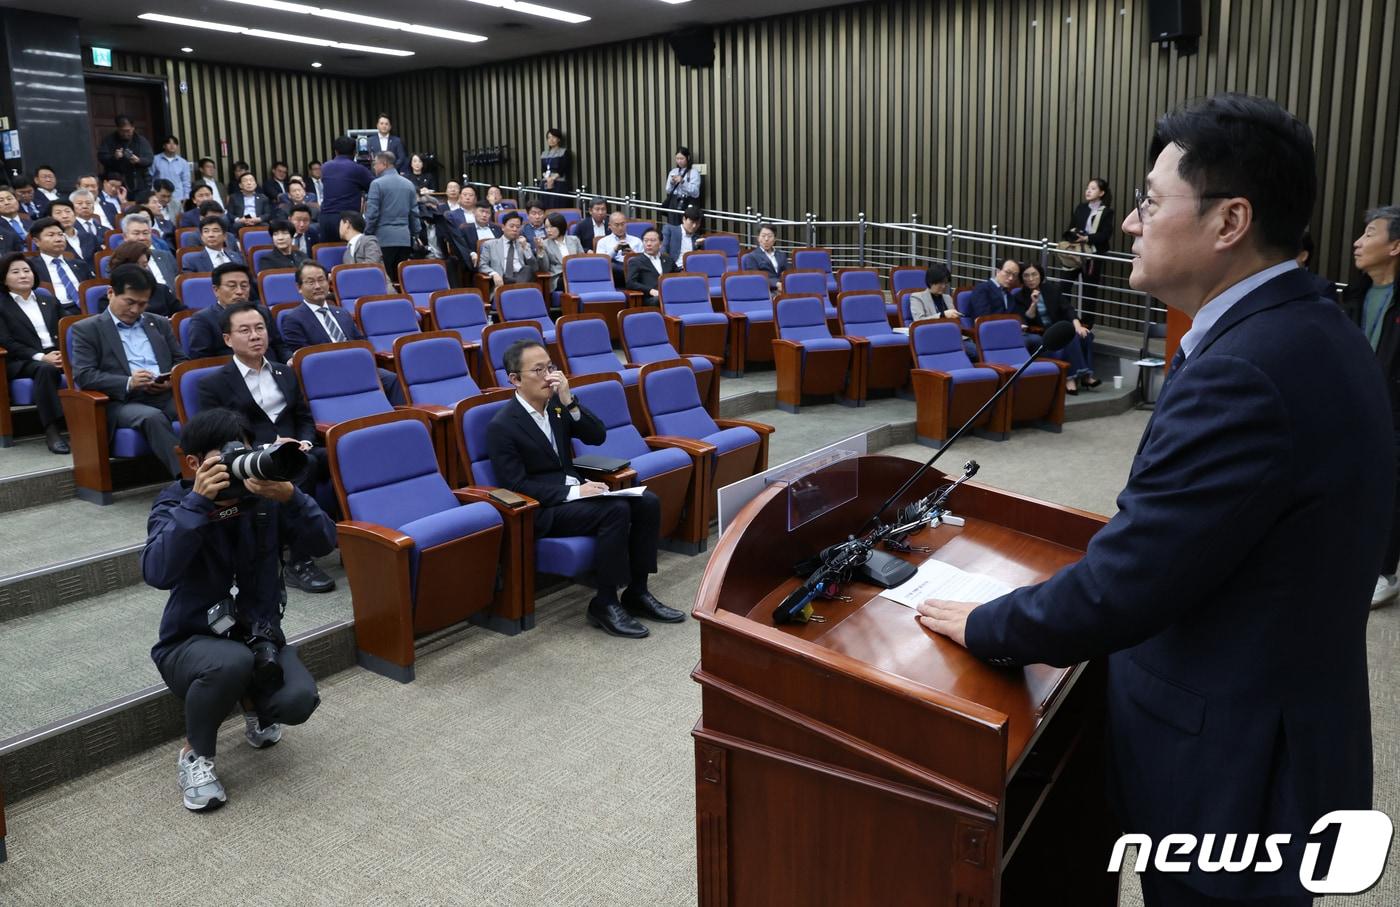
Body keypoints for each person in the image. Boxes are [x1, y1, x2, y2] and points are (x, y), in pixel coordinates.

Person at [916, 93, 1391, 907]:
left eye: (1148, 201)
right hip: (1283, 732)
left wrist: (987, 621)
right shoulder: (1318, 325)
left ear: (1229, 220)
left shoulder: (1245, 370)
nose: (1131, 224)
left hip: (1233, 775)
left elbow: (1124, 585)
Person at [144, 407, 335, 811]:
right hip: (190, 645)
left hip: (258, 637)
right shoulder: (176, 503)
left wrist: (293, 496)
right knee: (228, 662)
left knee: (298, 699)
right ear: (194, 463)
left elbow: (324, 543)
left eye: (243, 451)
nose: (236, 462)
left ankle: (255, 708)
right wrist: (198, 503)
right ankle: (194, 756)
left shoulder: (265, 497)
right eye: (224, 454)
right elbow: (156, 571)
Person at [486, 339, 679, 639]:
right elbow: (516, 485)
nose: (548, 376)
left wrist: (569, 400)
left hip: (576, 499)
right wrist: (576, 492)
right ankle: (604, 602)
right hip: (542, 510)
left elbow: (598, 436)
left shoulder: (557, 408)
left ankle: (638, 592)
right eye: (538, 370)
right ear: (514, 379)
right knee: (614, 510)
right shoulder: (502, 426)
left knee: (647, 501)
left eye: (550, 367)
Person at [196, 301, 336, 592]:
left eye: (260, 328)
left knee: (342, 456)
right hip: (248, 457)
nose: (255, 335)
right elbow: (218, 435)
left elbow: (303, 417)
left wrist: (306, 441)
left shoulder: (284, 373)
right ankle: (300, 562)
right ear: (227, 339)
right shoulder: (213, 384)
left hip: (297, 449)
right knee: (303, 465)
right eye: (244, 330)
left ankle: (359, 539)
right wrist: (267, 446)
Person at [68, 265, 186, 477]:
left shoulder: (158, 323)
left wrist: (170, 380)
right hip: (122, 401)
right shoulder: (86, 329)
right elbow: (84, 375)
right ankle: (188, 479)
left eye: (142, 304)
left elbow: (181, 361)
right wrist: (128, 382)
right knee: (153, 418)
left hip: (163, 393)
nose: (135, 310)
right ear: (111, 293)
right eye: (129, 302)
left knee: (204, 406)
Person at [1340, 204, 1400, 608]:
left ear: (1395, 246)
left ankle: (1385, 571)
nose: (1358, 243)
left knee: (1391, 489)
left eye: (1370, 233)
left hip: (1394, 413)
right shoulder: (1353, 296)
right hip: (1355, 408)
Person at [278, 261, 404, 403]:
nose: (318, 286)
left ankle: (395, 419)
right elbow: (304, 357)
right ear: (299, 287)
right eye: (310, 282)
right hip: (327, 374)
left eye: (321, 280)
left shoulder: (342, 313)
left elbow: (362, 343)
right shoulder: (293, 319)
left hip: (357, 368)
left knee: (392, 379)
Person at [0, 252, 71, 452]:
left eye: (26, 270)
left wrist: (62, 353)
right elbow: (6, 341)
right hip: (20, 360)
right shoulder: (2, 304)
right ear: (4, 278)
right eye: (15, 272)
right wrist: (41, 356)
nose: (23, 275)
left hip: (54, 353)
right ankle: (52, 430)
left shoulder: (46, 299)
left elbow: (66, 328)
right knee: (45, 370)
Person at [1014, 261, 1098, 394]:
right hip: (1043, 334)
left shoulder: (1051, 289)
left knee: (1084, 334)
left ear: (1040, 275)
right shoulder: (1019, 297)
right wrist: (1033, 304)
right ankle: (1072, 378)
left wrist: (1077, 326)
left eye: (1034, 275)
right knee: (1069, 338)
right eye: (1026, 276)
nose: (1031, 279)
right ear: (1022, 279)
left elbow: (1068, 309)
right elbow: (1026, 320)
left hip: (1060, 327)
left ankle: (1085, 376)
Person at [185, 263, 288, 361]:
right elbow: (201, 361)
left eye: (244, 286)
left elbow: (279, 346)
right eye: (232, 286)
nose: (239, 292)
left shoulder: (262, 311)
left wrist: (289, 361)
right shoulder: (203, 319)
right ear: (216, 290)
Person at [365, 152, 420, 280]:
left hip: (383, 239)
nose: (374, 167)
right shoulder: (408, 184)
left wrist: (367, 234)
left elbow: (372, 214)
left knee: (385, 280)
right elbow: (414, 214)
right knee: (400, 280)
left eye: (375, 164)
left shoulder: (377, 184)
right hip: (404, 239)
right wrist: (415, 234)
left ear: (384, 164)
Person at [28, 217, 95, 312]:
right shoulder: (30, 267)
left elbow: (92, 290)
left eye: (60, 234)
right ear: (36, 242)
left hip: (86, 308)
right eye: (51, 235)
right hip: (55, 312)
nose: (58, 239)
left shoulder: (80, 265)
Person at [318, 136, 372, 242]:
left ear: (335, 151)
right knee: (350, 253)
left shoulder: (325, 167)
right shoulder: (358, 169)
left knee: (326, 253)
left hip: (326, 218)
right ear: (354, 152)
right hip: (348, 220)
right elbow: (373, 187)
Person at [110, 240, 182, 318]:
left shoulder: (161, 290)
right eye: (136, 265)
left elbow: (182, 316)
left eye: (144, 265)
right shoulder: (112, 296)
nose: (141, 270)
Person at [1061, 177, 1115, 283]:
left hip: (1093, 254)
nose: (1088, 191)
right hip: (1075, 251)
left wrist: (1086, 238)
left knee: (1089, 288)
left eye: (1093, 188)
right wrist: (1072, 237)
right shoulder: (1081, 207)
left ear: (1101, 193)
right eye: (1087, 188)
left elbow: (1105, 235)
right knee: (1064, 284)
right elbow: (1071, 227)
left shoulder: (1106, 212)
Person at [479, 211, 538, 290]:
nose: (515, 229)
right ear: (503, 227)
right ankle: (516, 293)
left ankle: (513, 292)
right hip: (502, 279)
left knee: (527, 269)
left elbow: (534, 268)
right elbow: (482, 265)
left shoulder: (524, 244)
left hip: (522, 277)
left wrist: (525, 248)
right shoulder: (490, 245)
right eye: (512, 226)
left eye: (518, 227)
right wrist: (494, 273)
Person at [96, 116, 154, 194]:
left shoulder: (141, 141)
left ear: (133, 128)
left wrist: (139, 160)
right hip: (116, 182)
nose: (125, 133)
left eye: (128, 130)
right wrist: (114, 157)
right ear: (118, 129)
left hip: (139, 181)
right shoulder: (109, 140)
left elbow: (149, 159)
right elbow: (101, 157)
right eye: (122, 131)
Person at [624, 228, 678, 302]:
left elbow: (678, 276)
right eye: (645, 241)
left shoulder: (668, 259)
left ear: (660, 244)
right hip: (650, 297)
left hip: (670, 294)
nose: (648, 244)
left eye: (652, 241)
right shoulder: (636, 261)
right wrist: (650, 290)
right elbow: (630, 283)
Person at [42, 198, 100, 266]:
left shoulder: (90, 237)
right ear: (50, 218)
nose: (65, 216)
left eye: (68, 211)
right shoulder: (51, 242)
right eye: (58, 213)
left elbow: (100, 260)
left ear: (75, 215)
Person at [537, 212, 584, 292]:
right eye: (546, 227)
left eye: (551, 227)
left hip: (576, 272)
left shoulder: (574, 240)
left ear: (560, 226)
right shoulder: (544, 244)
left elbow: (582, 259)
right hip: (559, 277)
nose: (548, 230)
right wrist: (540, 250)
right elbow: (544, 268)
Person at [182, 216, 246, 273]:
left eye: (215, 231)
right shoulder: (191, 259)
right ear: (201, 237)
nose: (211, 235)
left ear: (225, 236)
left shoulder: (237, 256)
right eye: (206, 231)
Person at [596, 213, 643, 283]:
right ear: (610, 226)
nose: (620, 228)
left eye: (623, 224)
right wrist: (614, 250)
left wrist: (633, 255)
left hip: (634, 269)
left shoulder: (636, 240)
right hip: (616, 274)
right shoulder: (603, 242)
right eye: (617, 225)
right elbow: (600, 263)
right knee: (611, 266)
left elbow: (646, 260)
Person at [740, 224, 790, 289]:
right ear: (758, 238)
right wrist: (776, 284)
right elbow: (756, 278)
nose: (766, 239)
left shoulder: (781, 255)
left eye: (770, 236)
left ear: (775, 239)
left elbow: (787, 273)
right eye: (763, 236)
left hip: (784, 288)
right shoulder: (751, 257)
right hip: (765, 290)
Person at [662, 147, 701, 225]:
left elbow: (696, 193)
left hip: (687, 203)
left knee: (687, 226)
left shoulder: (694, 172)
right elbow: (668, 190)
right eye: (677, 158)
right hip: (674, 202)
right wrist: (672, 183)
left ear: (688, 158)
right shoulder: (673, 171)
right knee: (673, 226)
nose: (679, 161)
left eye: (681, 158)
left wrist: (683, 182)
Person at [148, 136, 191, 207]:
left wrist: (186, 197)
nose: (172, 146)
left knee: (177, 217)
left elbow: (186, 181)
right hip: (160, 196)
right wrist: (152, 193)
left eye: (174, 144)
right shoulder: (155, 160)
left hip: (177, 197)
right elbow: (150, 177)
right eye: (169, 143)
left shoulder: (183, 162)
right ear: (164, 146)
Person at [538, 127, 571, 208]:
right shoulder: (544, 153)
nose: (551, 140)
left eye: (554, 137)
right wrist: (547, 178)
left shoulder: (564, 152)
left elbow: (564, 168)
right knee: (544, 205)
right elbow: (543, 169)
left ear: (558, 139)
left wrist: (552, 179)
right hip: (546, 182)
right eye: (549, 138)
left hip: (559, 182)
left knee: (557, 205)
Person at [0, 186, 30, 252]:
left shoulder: (31, 222)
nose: (7, 203)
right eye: (1, 201)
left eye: (9, 199)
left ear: (17, 200)